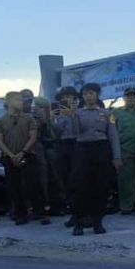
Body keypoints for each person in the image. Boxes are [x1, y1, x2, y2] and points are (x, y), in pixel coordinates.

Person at [69, 83, 122, 235]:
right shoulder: (77, 113)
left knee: (100, 186)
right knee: (79, 186)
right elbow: (75, 132)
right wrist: (73, 117)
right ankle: (78, 223)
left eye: (91, 93)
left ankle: (97, 222)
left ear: (97, 95)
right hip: (82, 149)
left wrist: (117, 157)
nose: (88, 96)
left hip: (101, 149)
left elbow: (113, 135)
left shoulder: (108, 114)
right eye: (85, 94)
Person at [0, 91, 50, 226]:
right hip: (10, 158)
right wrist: (11, 155)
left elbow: (33, 137)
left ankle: (39, 211)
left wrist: (23, 152)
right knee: (14, 186)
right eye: (18, 99)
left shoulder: (29, 118)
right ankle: (20, 214)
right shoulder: (0, 121)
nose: (22, 102)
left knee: (33, 184)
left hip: (28, 155)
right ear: (8, 102)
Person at [54, 86, 80, 225]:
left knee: (79, 180)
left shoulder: (81, 111)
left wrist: (72, 116)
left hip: (78, 145)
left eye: (69, 97)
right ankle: (74, 213)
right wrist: (52, 119)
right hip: (63, 146)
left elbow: (81, 130)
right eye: (63, 97)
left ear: (75, 98)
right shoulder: (58, 114)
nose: (66, 99)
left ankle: (84, 213)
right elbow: (56, 133)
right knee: (66, 180)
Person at [112, 86, 135, 215]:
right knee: (125, 180)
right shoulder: (115, 113)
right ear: (124, 98)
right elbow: (111, 129)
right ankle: (126, 207)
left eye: (134, 95)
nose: (131, 98)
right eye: (128, 95)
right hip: (124, 149)